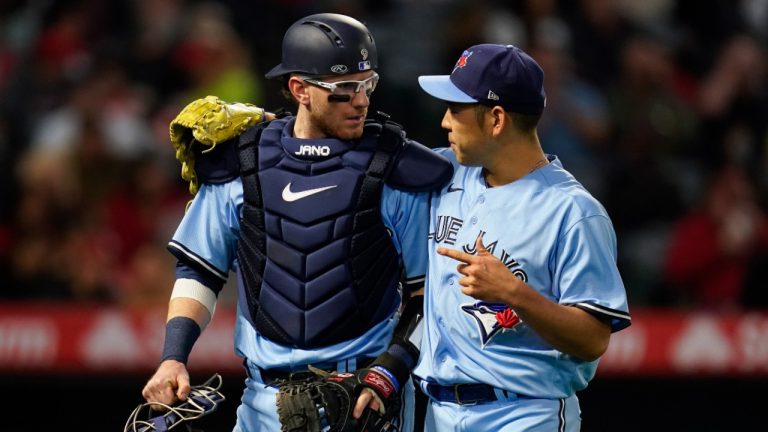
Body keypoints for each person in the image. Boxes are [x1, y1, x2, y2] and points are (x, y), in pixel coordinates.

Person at [139, 13, 451, 432]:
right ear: (299, 89)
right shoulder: (243, 162)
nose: (361, 101)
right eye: (343, 89)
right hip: (262, 399)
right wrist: (173, 357)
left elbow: (427, 295)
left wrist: (390, 372)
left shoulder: (392, 168)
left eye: (367, 84)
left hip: (364, 399)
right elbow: (199, 270)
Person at [413, 44, 631, 431]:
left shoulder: (573, 212)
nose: (445, 121)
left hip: (523, 414)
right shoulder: (444, 171)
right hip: (438, 413)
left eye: (457, 109)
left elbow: (593, 339)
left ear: (496, 119)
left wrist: (514, 292)